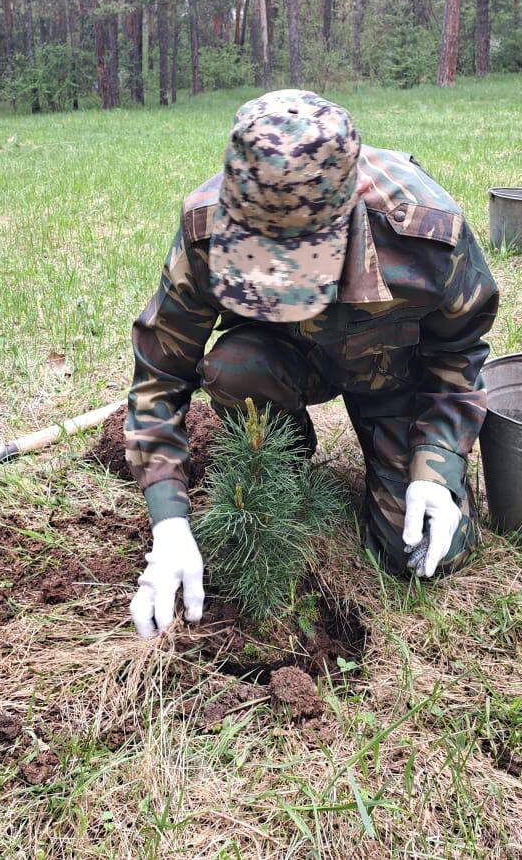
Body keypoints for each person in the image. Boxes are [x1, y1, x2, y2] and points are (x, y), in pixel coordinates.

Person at [125, 90, 499, 637]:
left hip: (387, 371)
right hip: (280, 361)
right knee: (233, 367)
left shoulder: (423, 235)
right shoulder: (207, 228)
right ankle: (281, 460)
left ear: (352, 213)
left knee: (418, 551)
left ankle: (398, 467)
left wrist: (437, 465)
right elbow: (160, 374)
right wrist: (169, 524)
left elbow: (457, 353)